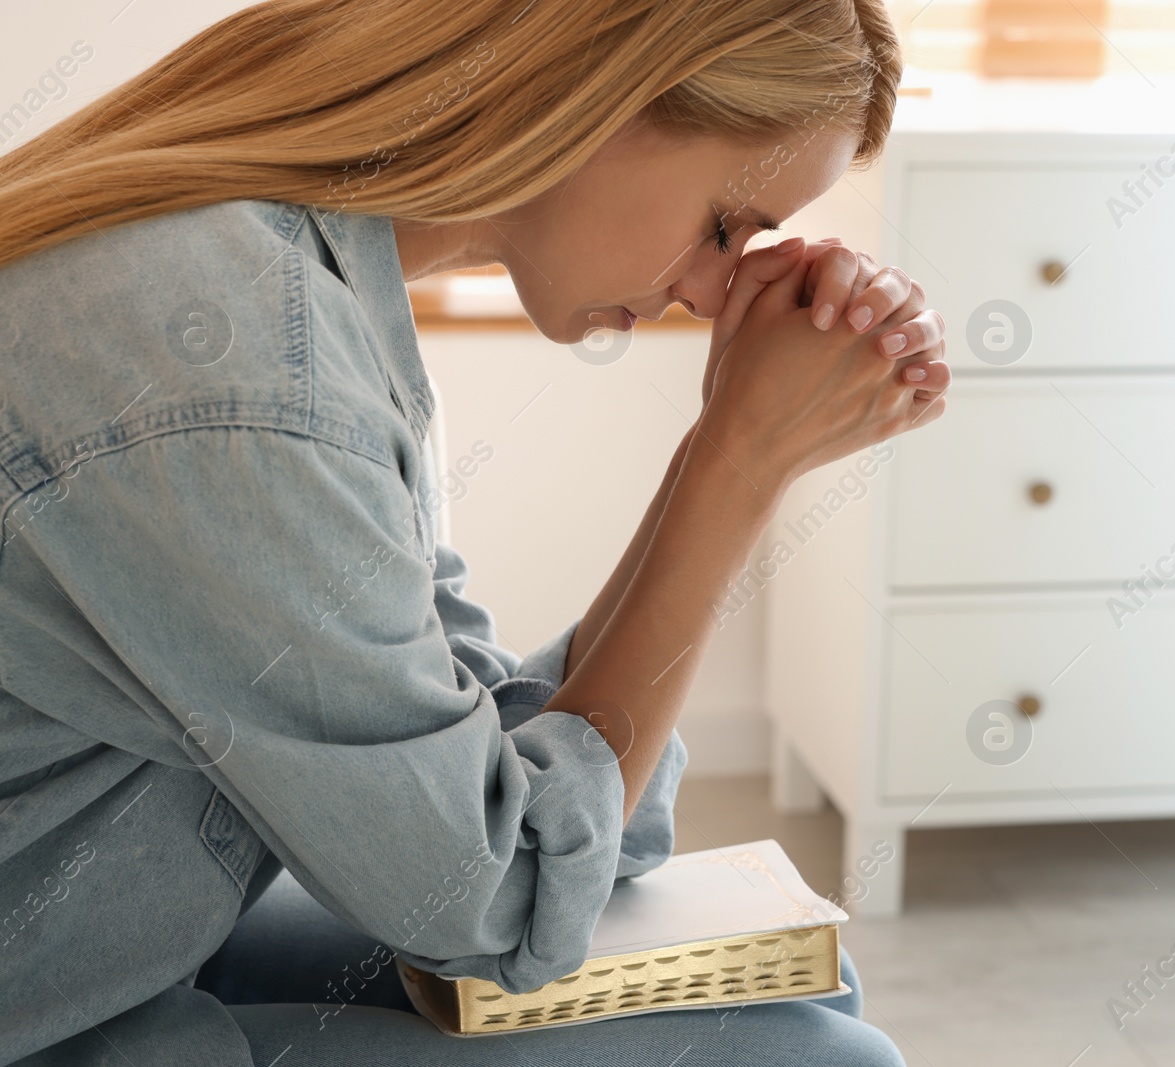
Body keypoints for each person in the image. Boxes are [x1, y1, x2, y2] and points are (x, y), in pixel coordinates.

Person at [0, 1, 949, 1064]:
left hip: (97, 933)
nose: (709, 287)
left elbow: (501, 770)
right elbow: (496, 900)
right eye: (726, 223)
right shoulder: (245, 382)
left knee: (795, 984)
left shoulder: (301, 295)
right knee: (821, 1058)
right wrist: (739, 465)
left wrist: (724, 444)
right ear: (598, 100)